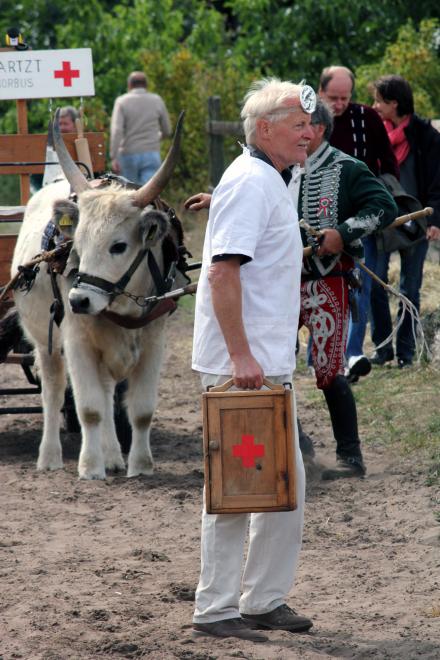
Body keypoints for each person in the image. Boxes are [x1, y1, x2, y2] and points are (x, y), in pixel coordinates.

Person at [190, 78, 316, 642]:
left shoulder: (269, 178)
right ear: (264, 129)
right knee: (238, 486)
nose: (309, 133)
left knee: (284, 486)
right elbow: (222, 271)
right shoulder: (250, 180)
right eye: (297, 124)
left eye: (309, 124)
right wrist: (240, 354)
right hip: (244, 366)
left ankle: (263, 598)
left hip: (265, 363)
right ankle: (216, 608)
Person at [295, 99, 397, 479]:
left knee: (327, 367)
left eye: (301, 124)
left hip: (329, 279)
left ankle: (351, 457)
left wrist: (345, 232)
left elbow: (384, 207)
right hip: (282, 283)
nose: (297, 132)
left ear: (318, 128)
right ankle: (298, 447)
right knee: (272, 363)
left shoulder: (347, 168)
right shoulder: (278, 168)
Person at [319, 65, 399, 382]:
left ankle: (351, 355)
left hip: (361, 221)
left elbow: (388, 163)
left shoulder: (366, 118)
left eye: (344, 98)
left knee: (359, 288)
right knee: (321, 287)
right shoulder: (307, 121)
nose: (339, 105)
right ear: (320, 91)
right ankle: (322, 353)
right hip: (318, 225)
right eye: (332, 98)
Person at [368, 75, 440, 367]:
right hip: (383, 220)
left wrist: (436, 218)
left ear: (394, 104)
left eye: (378, 101)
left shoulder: (426, 136)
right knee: (375, 283)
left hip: (417, 221)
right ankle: (383, 347)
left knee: (410, 288)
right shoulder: (375, 134)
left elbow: (438, 180)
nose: (374, 106)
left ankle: (406, 353)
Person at [110, 71, 171, 185]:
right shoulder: (157, 100)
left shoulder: (122, 101)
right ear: (146, 85)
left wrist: (114, 157)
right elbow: (167, 130)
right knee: (150, 196)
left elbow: (117, 131)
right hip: (152, 153)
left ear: (129, 85)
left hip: (128, 154)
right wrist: (156, 137)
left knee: (130, 196)